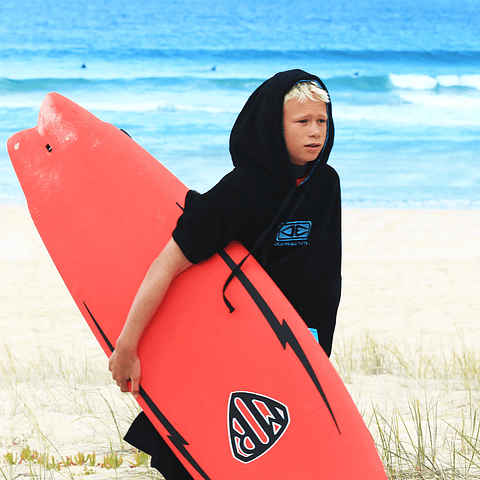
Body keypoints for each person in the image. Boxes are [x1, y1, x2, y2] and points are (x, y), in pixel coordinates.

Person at [108, 69, 341, 479]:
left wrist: (319, 345)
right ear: (274, 126)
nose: (315, 132)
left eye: (321, 120)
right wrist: (127, 346)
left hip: (295, 342)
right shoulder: (239, 191)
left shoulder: (325, 183)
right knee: (196, 449)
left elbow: (324, 270)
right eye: (302, 121)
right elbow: (167, 264)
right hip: (234, 336)